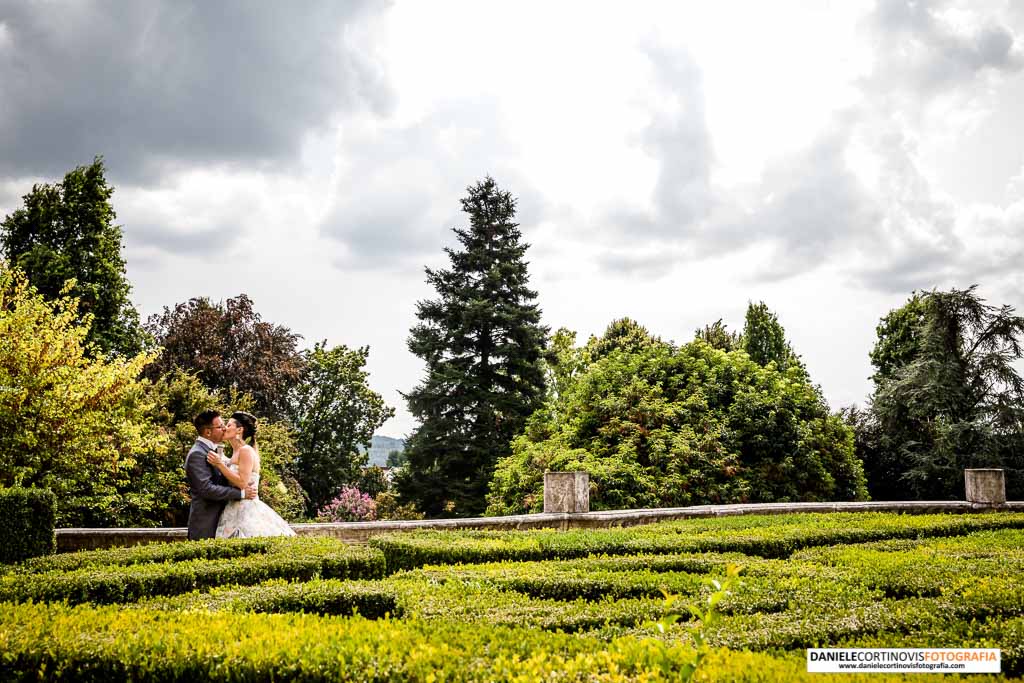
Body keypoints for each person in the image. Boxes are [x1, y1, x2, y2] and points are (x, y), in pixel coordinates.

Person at [207, 410, 296, 538]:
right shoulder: (233, 453)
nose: (225, 428)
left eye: (229, 425)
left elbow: (243, 483)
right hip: (232, 508)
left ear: (239, 430)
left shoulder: (246, 451)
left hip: (246, 509)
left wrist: (219, 464)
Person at [185, 410, 257, 540]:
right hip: (206, 523)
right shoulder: (198, 453)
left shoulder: (216, 451)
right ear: (208, 432)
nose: (224, 429)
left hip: (232, 516)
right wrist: (241, 493)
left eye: (226, 425)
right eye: (220, 426)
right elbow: (207, 489)